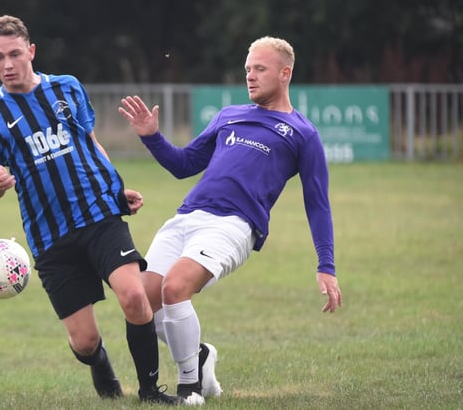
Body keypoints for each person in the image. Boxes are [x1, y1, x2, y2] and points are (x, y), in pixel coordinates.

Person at [118, 36, 343, 405]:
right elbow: (184, 165)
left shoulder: (303, 133)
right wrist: (152, 136)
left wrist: (326, 265)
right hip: (186, 217)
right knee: (143, 301)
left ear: (285, 73)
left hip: (235, 226)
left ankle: (189, 386)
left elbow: (317, 203)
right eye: (247, 69)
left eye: (260, 69)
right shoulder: (229, 115)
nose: (250, 76)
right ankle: (201, 355)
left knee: (175, 288)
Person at [0, 15, 180, 405]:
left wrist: (116, 191)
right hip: (50, 236)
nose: (8, 65)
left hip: (100, 216)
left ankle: (150, 392)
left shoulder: (67, 87)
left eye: (15, 54)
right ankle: (99, 363)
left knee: (135, 297)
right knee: (84, 341)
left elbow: (91, 143)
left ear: (31, 51)